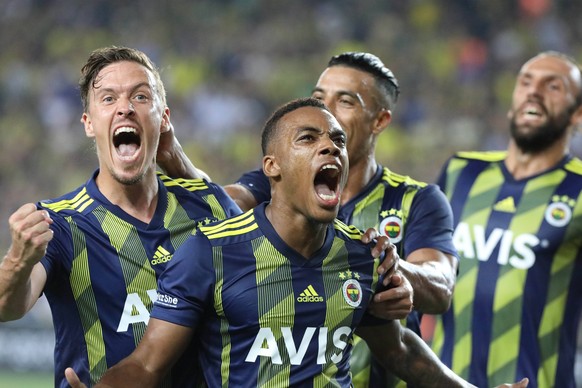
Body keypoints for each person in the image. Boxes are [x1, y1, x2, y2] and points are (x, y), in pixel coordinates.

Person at [65, 97, 528, 388]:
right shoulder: (210, 253)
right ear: (272, 166)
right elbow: (148, 365)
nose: (331, 148)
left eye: (338, 140)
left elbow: (400, 351)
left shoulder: (361, 255)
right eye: (309, 138)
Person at [0, 46, 243, 388]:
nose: (125, 108)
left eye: (140, 97)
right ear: (88, 123)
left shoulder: (210, 207)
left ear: (164, 119)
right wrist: (16, 261)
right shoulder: (60, 223)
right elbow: (8, 307)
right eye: (108, 99)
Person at [224, 52, 459, 386]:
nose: (325, 110)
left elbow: (440, 287)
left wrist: (392, 268)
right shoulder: (275, 184)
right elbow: (222, 206)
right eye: (319, 98)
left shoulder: (416, 200)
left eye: (345, 101)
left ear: (379, 121)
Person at [430, 51, 582, 387]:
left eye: (552, 86)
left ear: (578, 113)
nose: (534, 91)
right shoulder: (460, 171)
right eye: (525, 81)